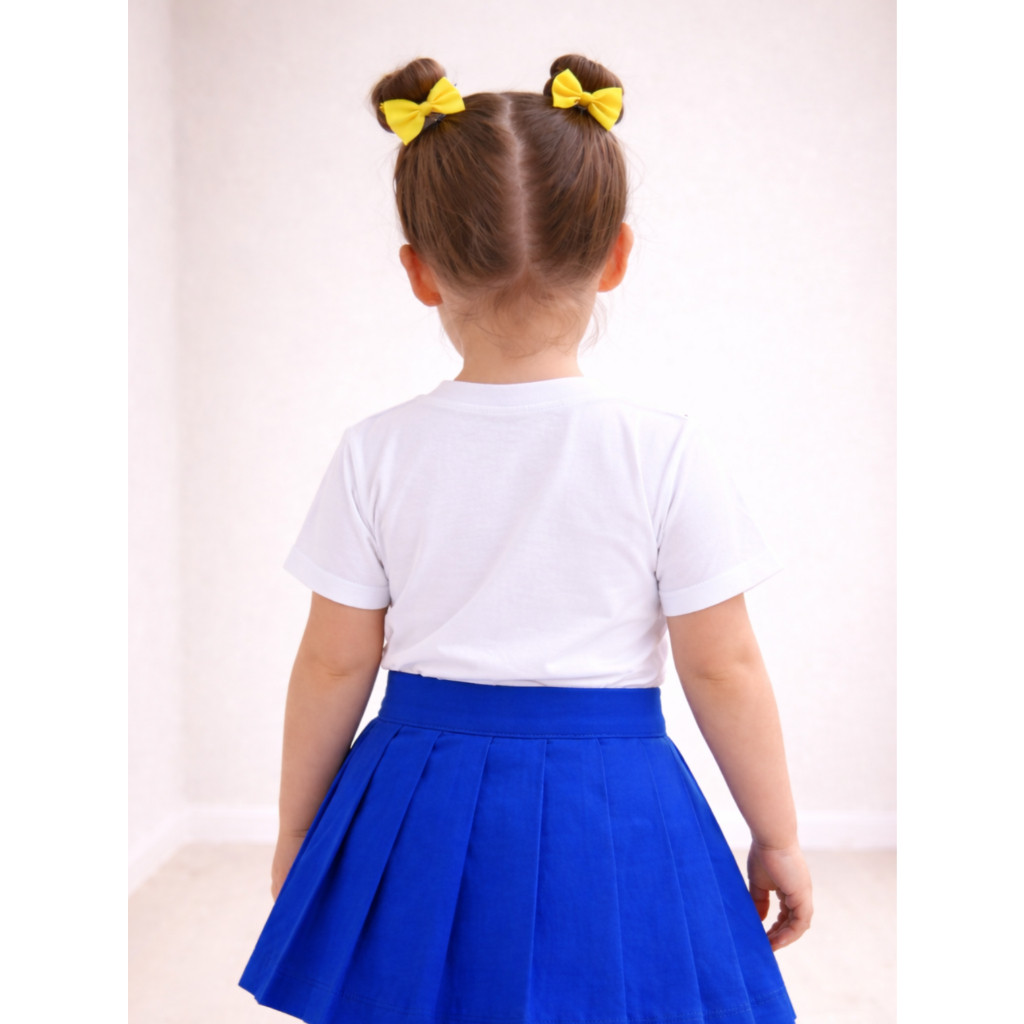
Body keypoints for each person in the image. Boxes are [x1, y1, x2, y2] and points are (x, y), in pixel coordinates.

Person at [240, 54, 812, 1024]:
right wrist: (778, 837)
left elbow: (333, 662)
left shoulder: (377, 449)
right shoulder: (663, 448)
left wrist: (300, 830)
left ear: (419, 272)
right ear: (616, 257)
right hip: (614, 798)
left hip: (415, 794)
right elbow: (725, 666)